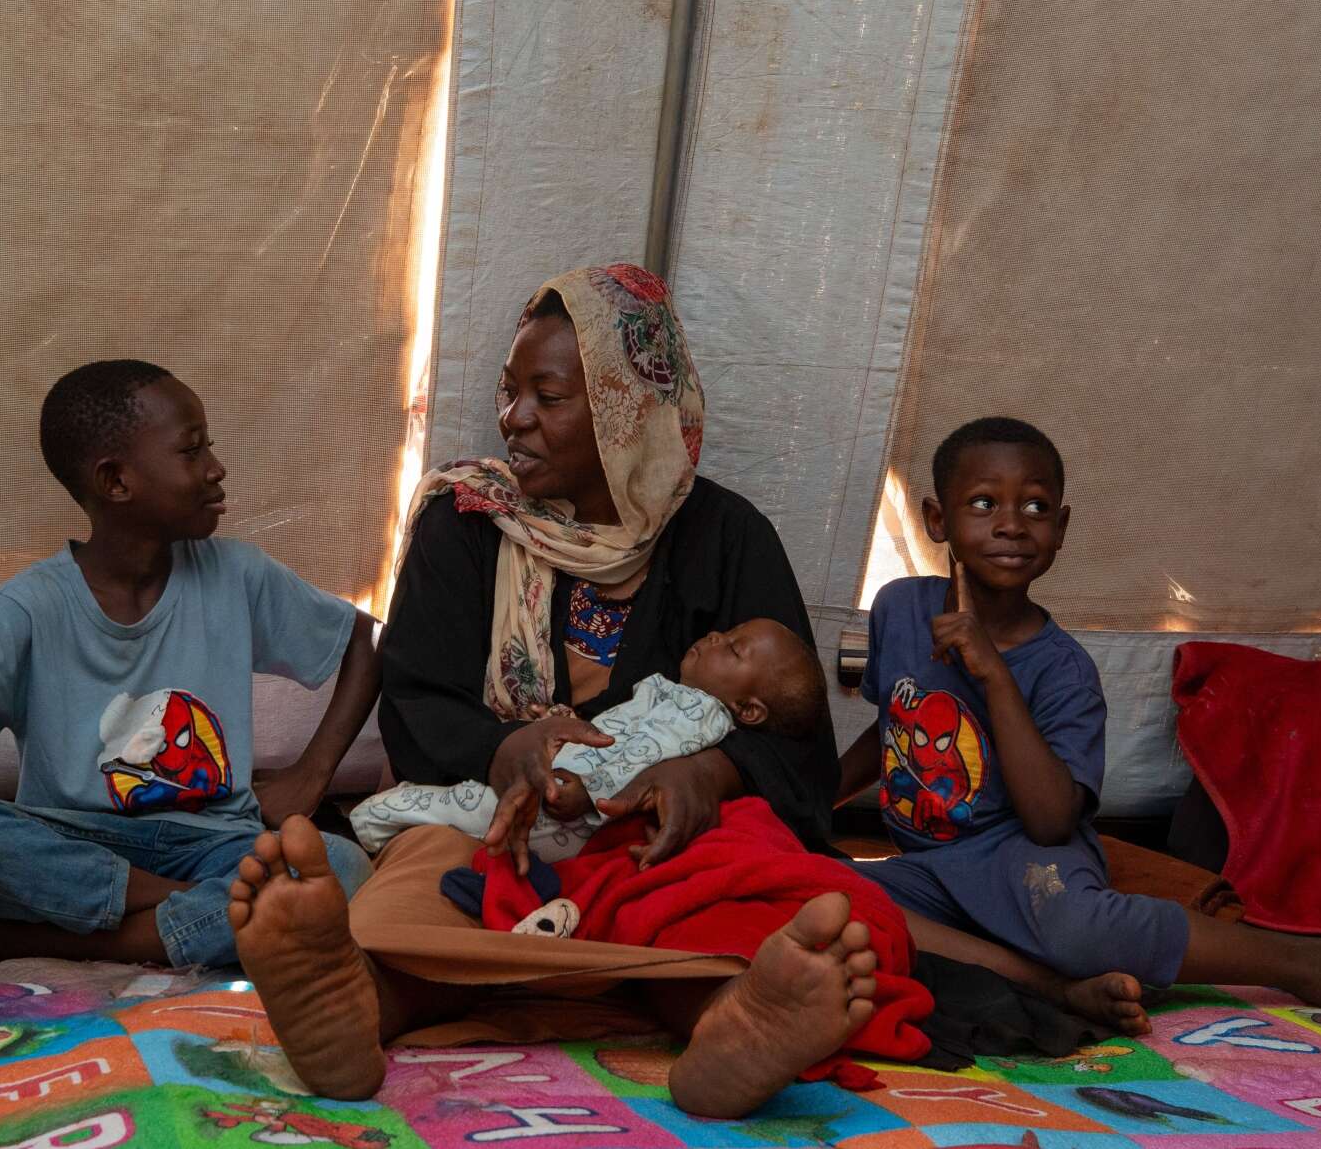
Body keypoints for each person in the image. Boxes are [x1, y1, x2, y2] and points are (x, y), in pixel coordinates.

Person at [228, 265, 885, 1119]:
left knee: (711, 904)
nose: (514, 420)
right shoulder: (466, 521)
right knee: (427, 880)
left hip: (653, 840)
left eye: (548, 395)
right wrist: (507, 751)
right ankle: (356, 1006)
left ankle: (732, 1022)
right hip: (491, 816)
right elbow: (418, 698)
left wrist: (705, 777)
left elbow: (794, 731)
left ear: (627, 408)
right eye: (509, 393)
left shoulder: (727, 538)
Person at [839, 415, 1321, 1036]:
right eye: (983, 503)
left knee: (1076, 927)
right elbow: (892, 722)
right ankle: (1056, 989)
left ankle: (1303, 965)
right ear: (937, 520)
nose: (1011, 524)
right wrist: (810, 800)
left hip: (1023, 863)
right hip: (929, 868)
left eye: (1035, 506)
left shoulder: (1062, 671)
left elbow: (1050, 823)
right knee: (830, 897)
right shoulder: (901, 608)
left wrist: (994, 674)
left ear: (1062, 528)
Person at [0, 359, 377, 1034]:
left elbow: (364, 640)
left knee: (339, 866)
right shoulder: (34, 604)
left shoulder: (238, 575)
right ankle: (195, 913)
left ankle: (42, 937)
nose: (216, 467)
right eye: (192, 449)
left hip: (215, 842)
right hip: (72, 837)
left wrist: (311, 773)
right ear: (114, 480)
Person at [348, 618, 826, 862]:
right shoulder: (675, 695)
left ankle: (360, 832)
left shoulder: (697, 713)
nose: (715, 636)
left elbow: (641, 760)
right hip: (562, 788)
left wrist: (586, 794)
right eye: (726, 632)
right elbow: (621, 730)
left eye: (734, 648)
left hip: (565, 812)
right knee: (460, 821)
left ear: (748, 711)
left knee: (456, 807)